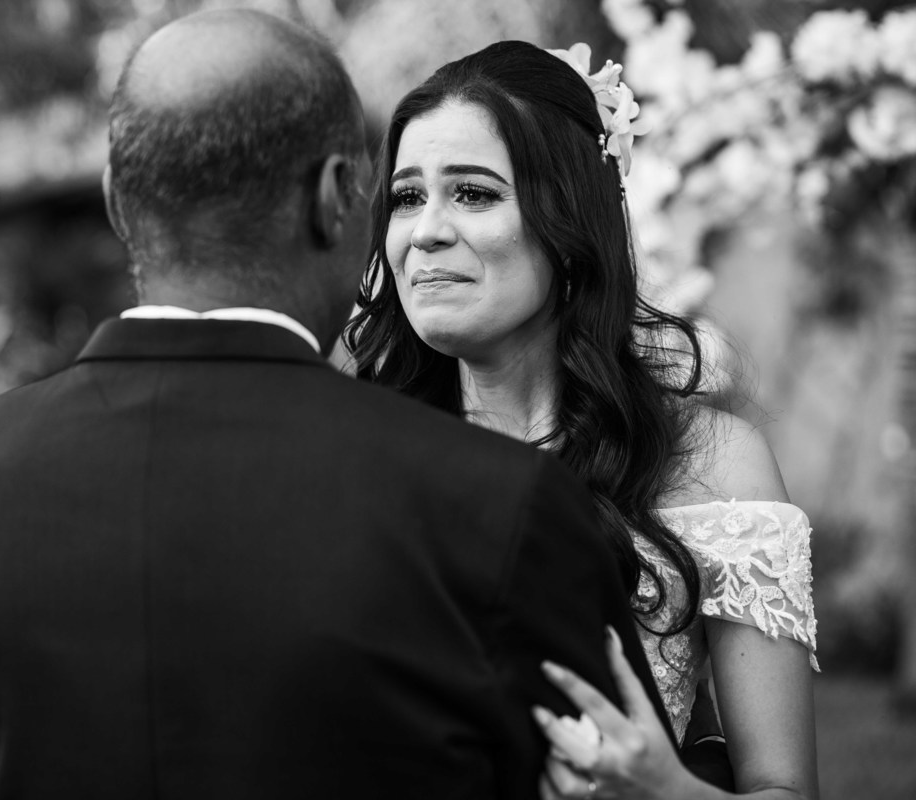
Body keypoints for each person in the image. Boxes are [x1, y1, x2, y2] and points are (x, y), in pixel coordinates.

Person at [0, 9, 672, 800]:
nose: (425, 233)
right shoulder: (495, 503)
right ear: (336, 198)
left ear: (118, 201)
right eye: (398, 197)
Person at [346, 40, 819, 799]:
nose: (425, 231)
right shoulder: (352, 453)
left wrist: (665, 790)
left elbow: (787, 789)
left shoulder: (713, 468)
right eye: (406, 197)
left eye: (472, 193)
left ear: (569, 221)